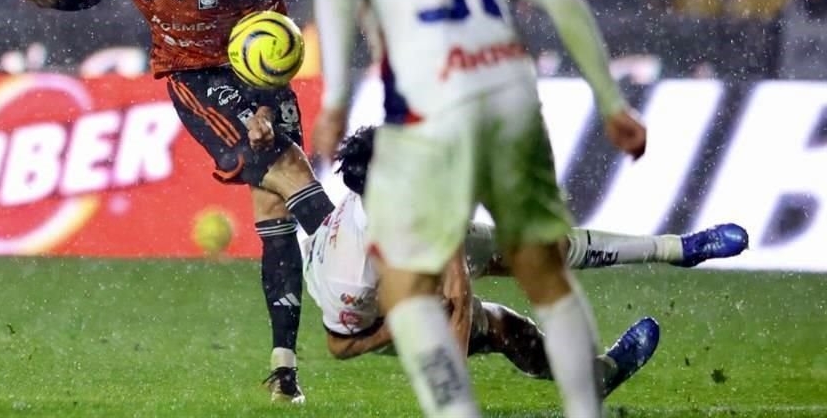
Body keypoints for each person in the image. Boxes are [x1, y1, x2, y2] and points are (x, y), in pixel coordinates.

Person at [300, 0, 647, 416]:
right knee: (543, 270)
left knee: (413, 287)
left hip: (433, 103)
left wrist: (336, 102)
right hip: (509, 90)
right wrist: (610, 99)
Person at [24, 0, 336, 404]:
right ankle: (370, 271)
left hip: (258, 73)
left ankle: (284, 368)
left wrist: (264, 103)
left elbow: (278, 28)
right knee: (288, 170)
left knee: (274, 206)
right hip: (194, 78)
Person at [304, 127, 746, 372]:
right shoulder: (351, 277)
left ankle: (678, 248)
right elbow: (340, 346)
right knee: (502, 327)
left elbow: (455, 280)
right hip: (384, 306)